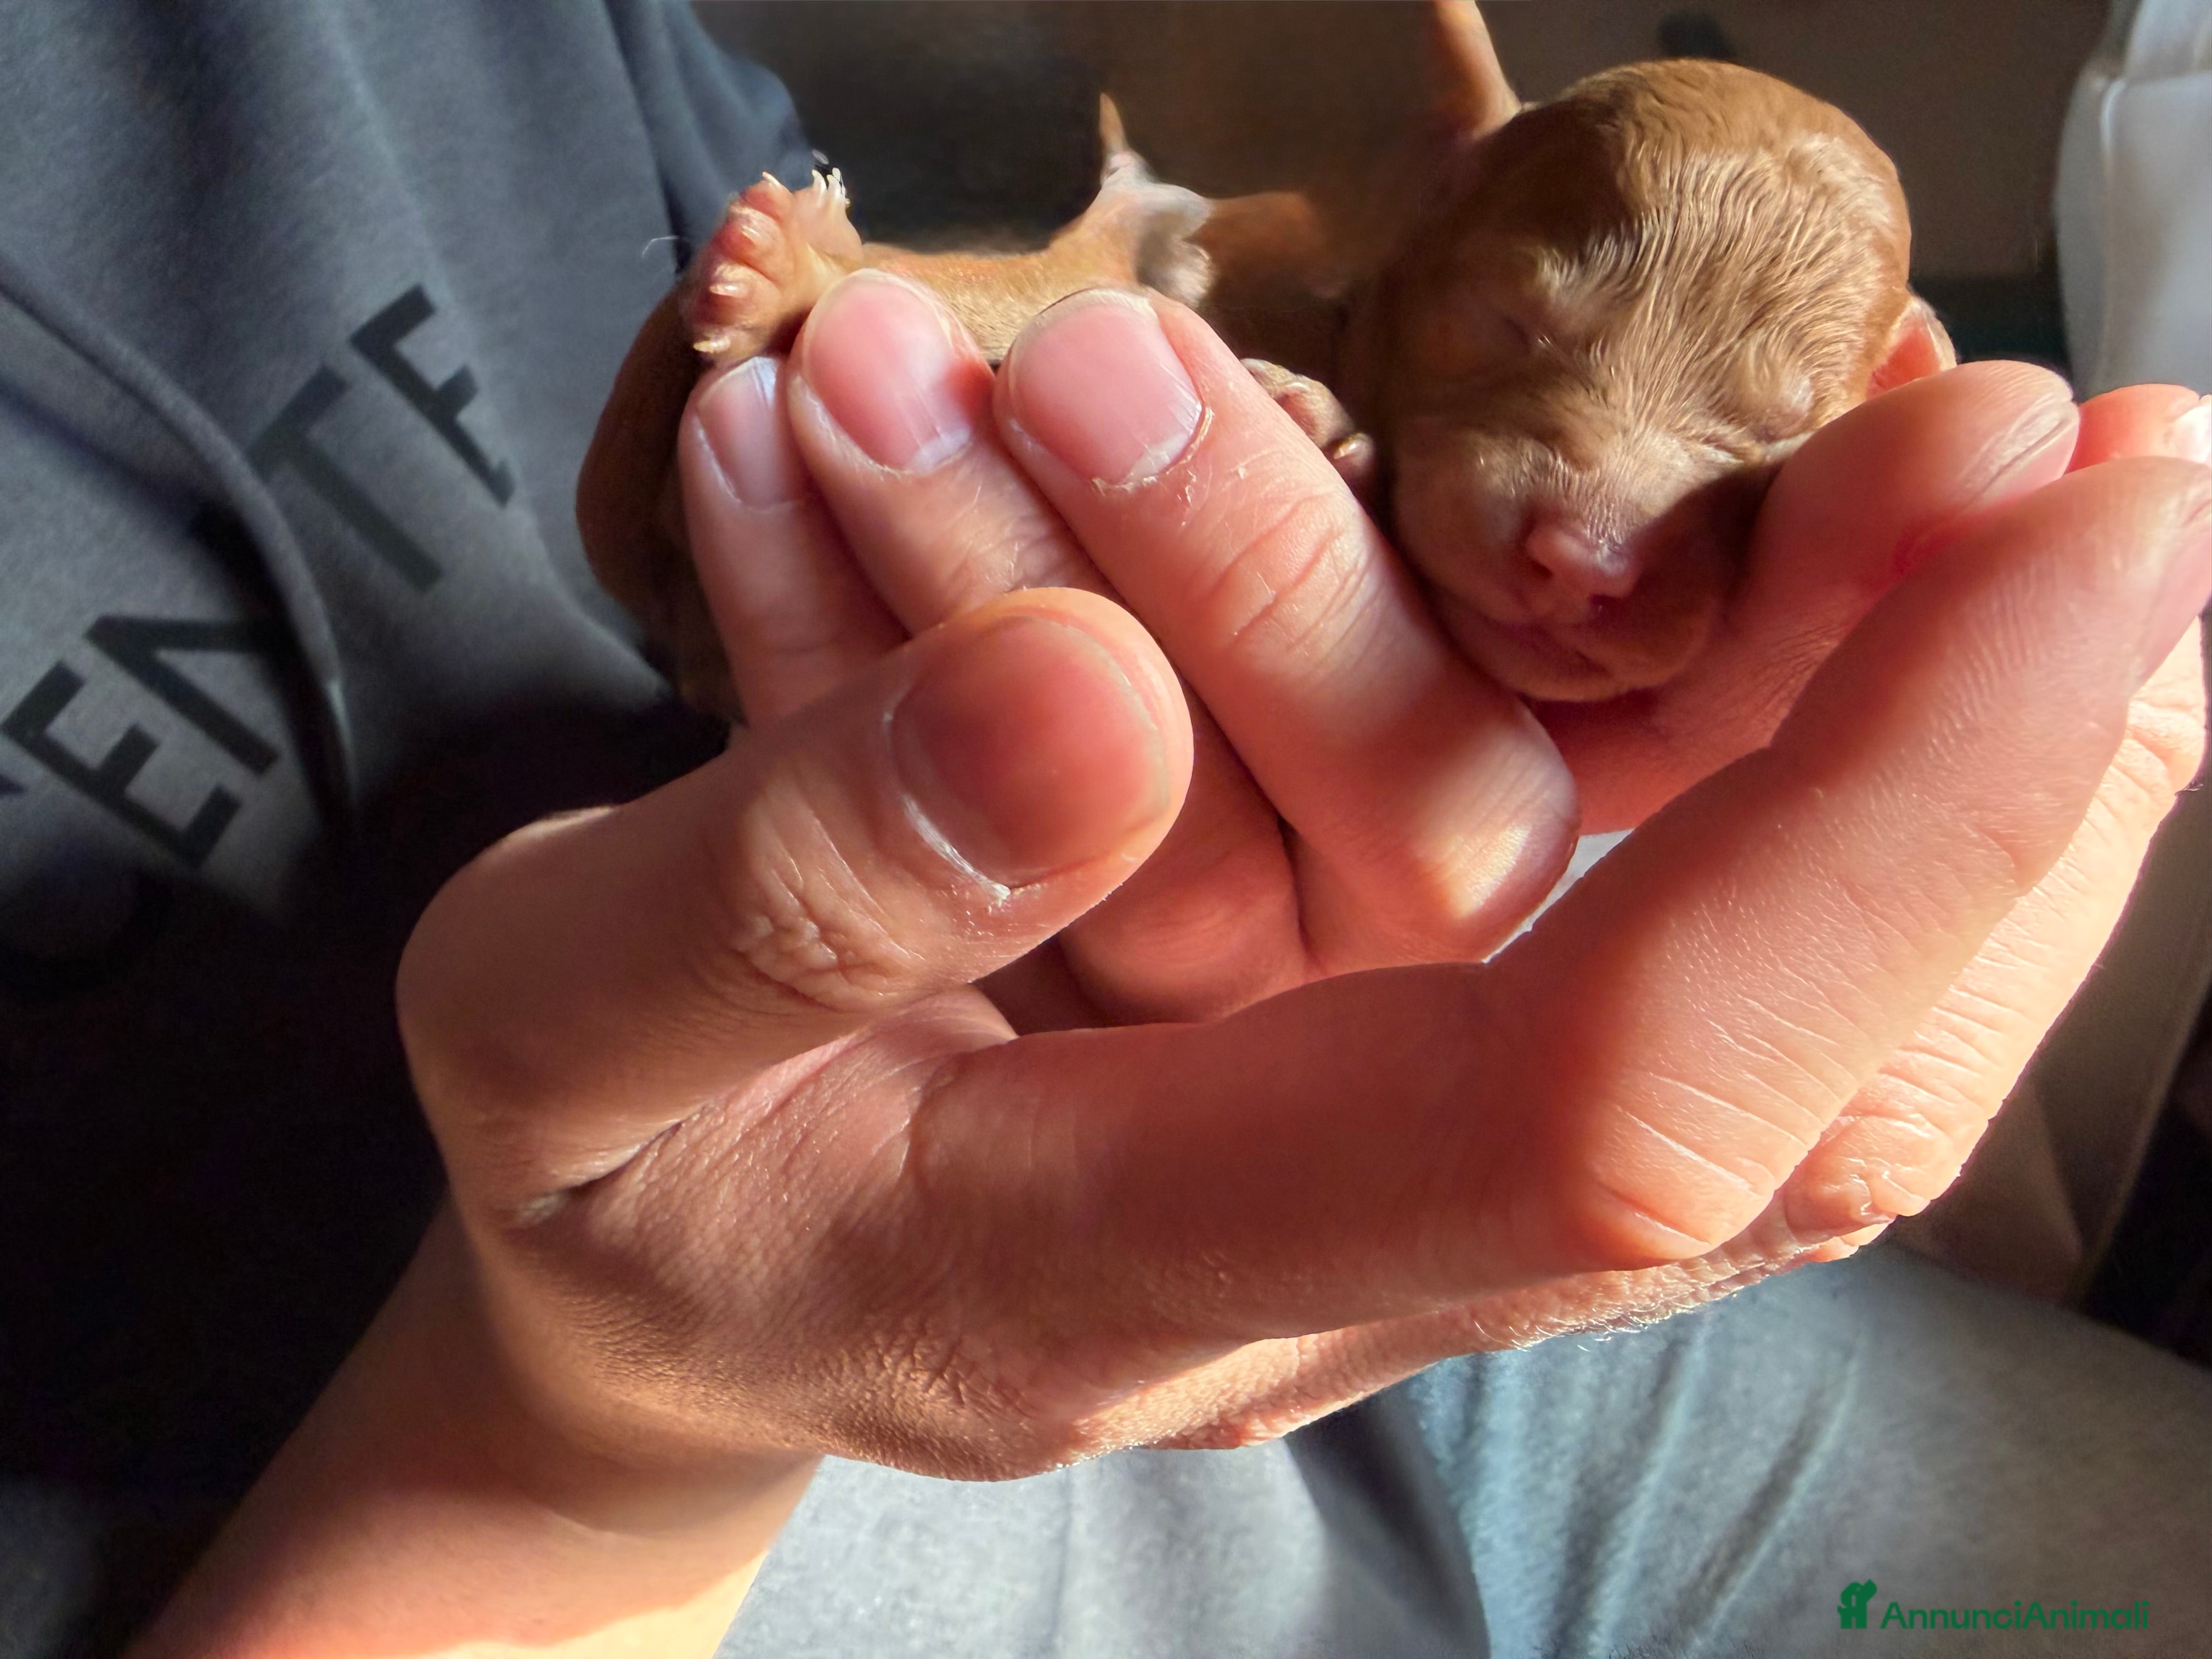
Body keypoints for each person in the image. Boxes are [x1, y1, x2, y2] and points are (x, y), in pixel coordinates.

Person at [2, 4, 2207, 1656]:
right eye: (1529, 350)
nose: (1591, 531)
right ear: (1445, 235)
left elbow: (868, 270)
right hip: (590, 1418)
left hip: (1395, 1229)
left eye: (1726, 461)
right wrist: (588, 1452)